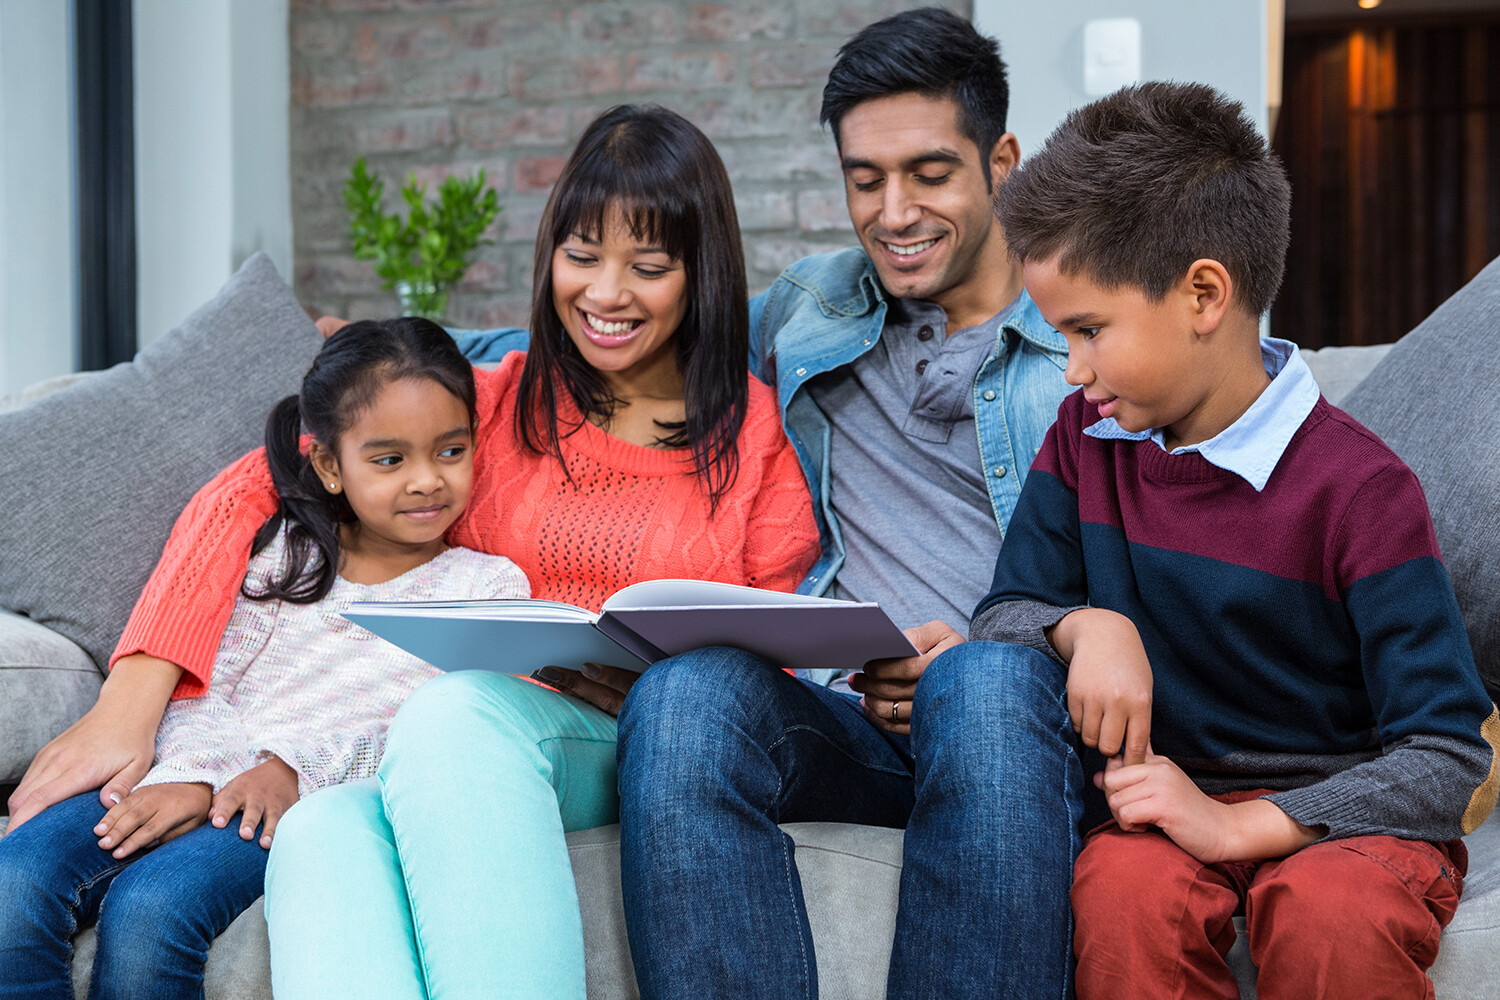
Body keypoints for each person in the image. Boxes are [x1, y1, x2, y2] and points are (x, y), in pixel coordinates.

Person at [7, 104, 820, 1000]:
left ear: (702, 274)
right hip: (427, 742)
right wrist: (135, 692)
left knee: (459, 716)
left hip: (623, 741)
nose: (606, 294)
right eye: (580, 256)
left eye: (650, 267)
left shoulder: (758, 444)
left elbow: (765, 659)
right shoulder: (491, 400)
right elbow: (258, 483)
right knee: (321, 835)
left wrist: (667, 688)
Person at [580, 9, 1118, 1000]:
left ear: (1001, 161)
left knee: (983, 685)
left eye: (928, 172)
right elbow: (638, 345)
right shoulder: (809, 308)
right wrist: (381, 358)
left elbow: (1190, 552)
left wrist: (1015, 645)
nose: (893, 211)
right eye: (863, 178)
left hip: (1021, 729)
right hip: (849, 724)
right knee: (685, 697)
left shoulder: (1098, 340)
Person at [980, 80, 1500, 999]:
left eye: (1090, 330)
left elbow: (1445, 759)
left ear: (1204, 294)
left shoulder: (1363, 491)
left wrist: (1246, 826)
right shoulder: (1083, 441)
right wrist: (1083, 627)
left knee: (1332, 913)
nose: (1073, 368)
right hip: (1165, 813)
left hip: (1344, 821)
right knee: (1122, 892)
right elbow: (1005, 618)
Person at [0, 319, 529, 1000]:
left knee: (152, 907)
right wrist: (193, 777)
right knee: (16, 880)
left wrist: (290, 771)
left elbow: (435, 737)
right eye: (391, 460)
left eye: (450, 451)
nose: (427, 481)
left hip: (294, 806)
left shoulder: (486, 588)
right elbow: (205, 686)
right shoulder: (288, 554)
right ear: (332, 467)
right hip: (192, 771)